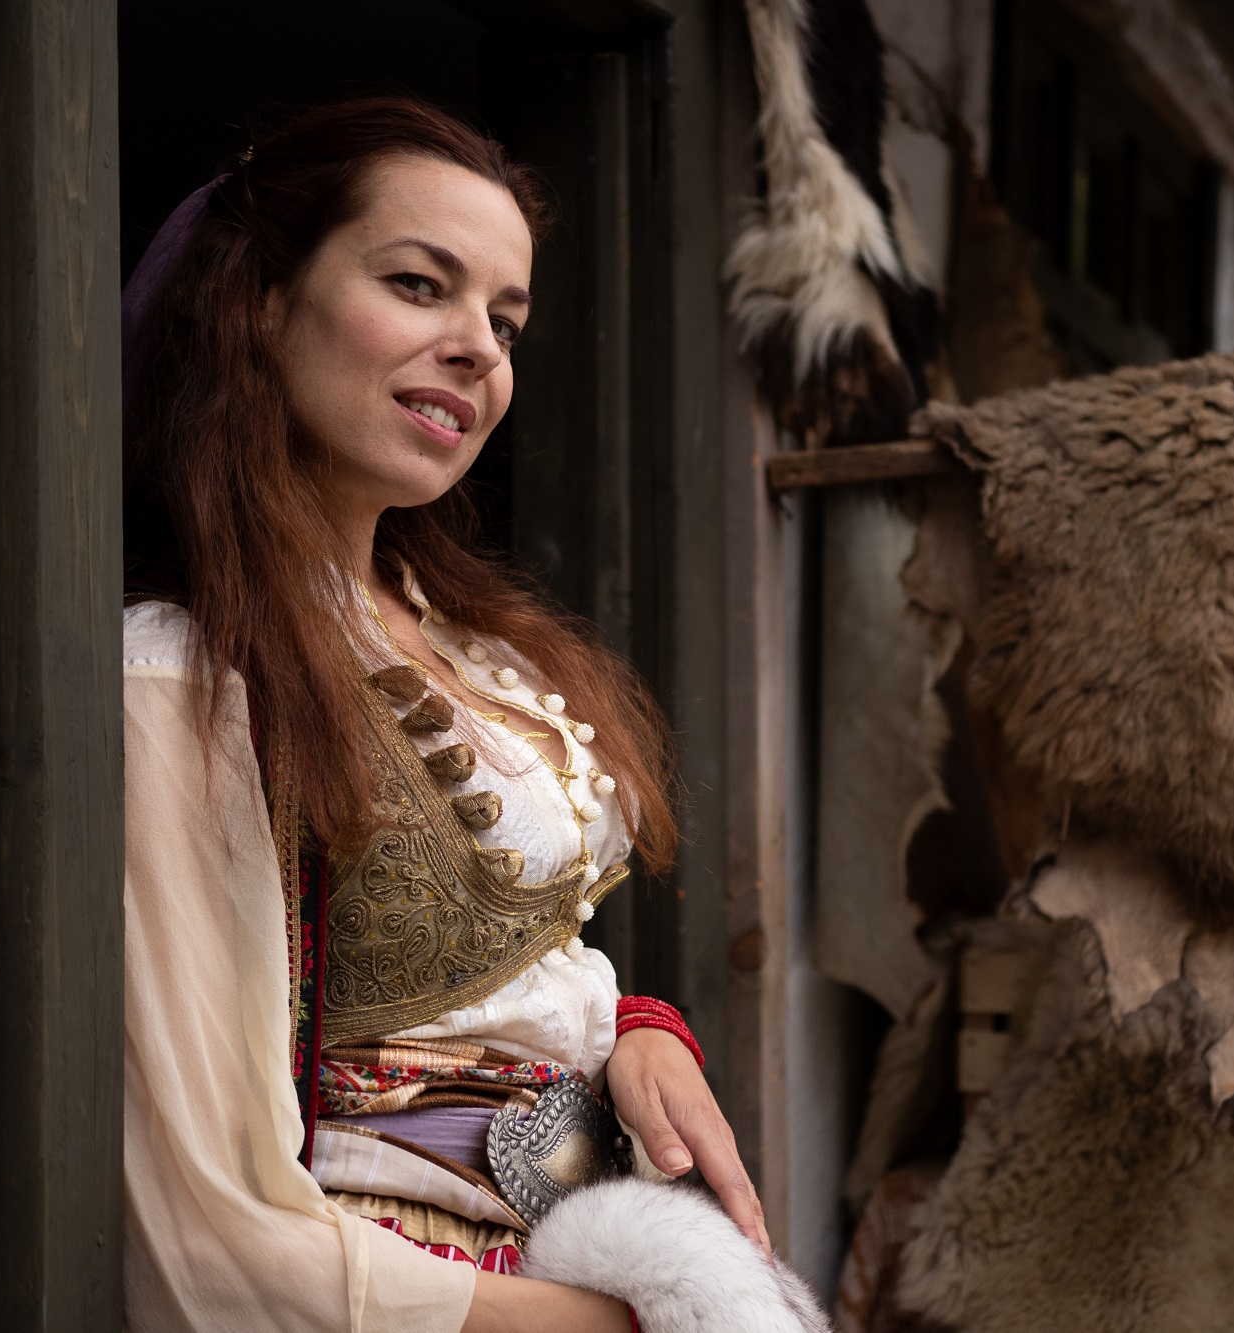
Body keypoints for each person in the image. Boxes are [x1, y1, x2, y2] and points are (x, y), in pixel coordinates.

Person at [121, 96, 767, 1332]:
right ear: (261, 300)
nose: (478, 349)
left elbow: (516, 964)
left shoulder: (468, 639)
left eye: (504, 321)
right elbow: (204, 1232)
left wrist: (633, 1031)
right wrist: (625, 1326)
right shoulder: (178, 675)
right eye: (419, 285)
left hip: (582, 1241)